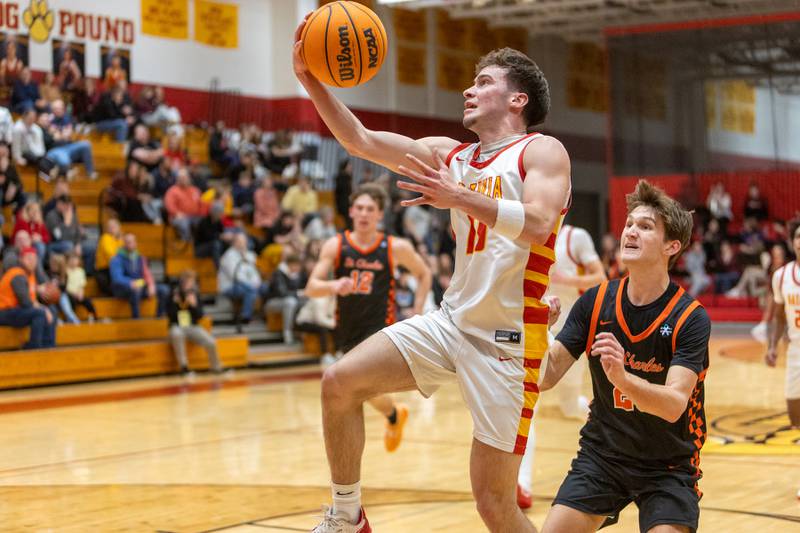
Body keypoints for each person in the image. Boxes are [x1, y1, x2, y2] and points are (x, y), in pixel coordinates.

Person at [295, 16, 571, 530]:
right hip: (450, 323)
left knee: (495, 505)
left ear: (518, 100)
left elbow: (536, 223)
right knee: (338, 383)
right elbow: (358, 139)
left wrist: (458, 197)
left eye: (485, 81)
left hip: (507, 344)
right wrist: (311, 80)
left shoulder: (542, 151)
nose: (469, 88)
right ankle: (347, 515)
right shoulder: (451, 157)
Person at [538, 180, 709, 533]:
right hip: (604, 456)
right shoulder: (595, 302)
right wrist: (538, 330)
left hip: (669, 466)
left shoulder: (690, 317)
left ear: (671, 246)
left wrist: (623, 378)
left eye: (645, 227)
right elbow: (546, 376)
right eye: (630, 224)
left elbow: (674, 404)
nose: (630, 231)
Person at [306, 182, 433, 456]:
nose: (364, 214)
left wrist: (417, 309)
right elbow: (311, 286)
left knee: (354, 390)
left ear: (379, 215)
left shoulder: (394, 246)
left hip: (381, 329)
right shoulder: (336, 244)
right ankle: (394, 415)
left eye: (370, 209)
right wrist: (333, 286)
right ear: (351, 211)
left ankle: (349, 467)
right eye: (359, 208)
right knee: (363, 390)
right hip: (348, 328)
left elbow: (425, 274)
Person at [516, 223, 606, 509]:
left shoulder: (574, 237)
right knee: (527, 404)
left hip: (569, 337)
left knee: (569, 406)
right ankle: (521, 484)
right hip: (534, 331)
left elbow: (600, 276)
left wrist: (564, 280)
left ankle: (607, 418)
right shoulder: (520, 232)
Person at [765, 220, 800, 499]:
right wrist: (773, 346)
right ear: (792, 242)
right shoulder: (782, 275)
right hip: (795, 350)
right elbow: (778, 316)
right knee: (795, 417)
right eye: (798, 237)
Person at [168, 270, 224, 377]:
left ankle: (217, 367)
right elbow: (169, 315)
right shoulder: (173, 293)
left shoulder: (195, 294)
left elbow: (200, 316)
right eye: (187, 282)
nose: (189, 285)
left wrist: (194, 305)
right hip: (177, 326)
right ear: (182, 282)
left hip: (192, 326)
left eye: (191, 282)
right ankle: (184, 368)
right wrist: (175, 304)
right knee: (176, 335)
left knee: (211, 342)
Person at [0, 247, 56, 349]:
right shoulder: (16, 274)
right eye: (29, 259)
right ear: (21, 259)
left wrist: (44, 307)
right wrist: (42, 309)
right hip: (4, 311)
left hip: (15, 311)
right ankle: (34, 346)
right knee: (40, 313)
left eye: (34, 259)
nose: (32, 262)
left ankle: (49, 347)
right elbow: (26, 302)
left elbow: (32, 300)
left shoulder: (30, 275)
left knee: (51, 311)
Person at [109, 233, 168, 319]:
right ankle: (136, 319)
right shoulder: (116, 259)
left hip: (140, 285)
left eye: (133, 241)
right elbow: (117, 278)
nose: (131, 244)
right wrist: (130, 283)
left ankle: (159, 317)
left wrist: (151, 284)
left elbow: (147, 273)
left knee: (164, 290)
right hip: (123, 289)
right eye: (128, 242)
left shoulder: (140, 257)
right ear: (124, 244)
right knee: (136, 290)